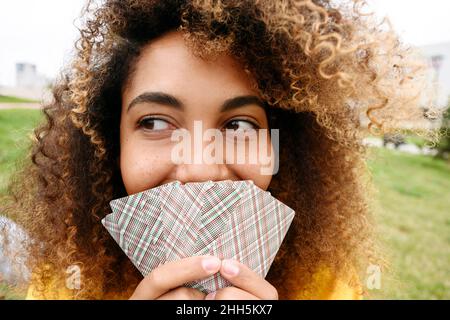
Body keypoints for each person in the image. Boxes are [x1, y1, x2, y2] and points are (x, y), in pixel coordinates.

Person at [1, 0, 435, 299]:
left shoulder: (327, 284)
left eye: (239, 125)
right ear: (110, 145)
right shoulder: (65, 281)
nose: (201, 167)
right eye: (155, 122)